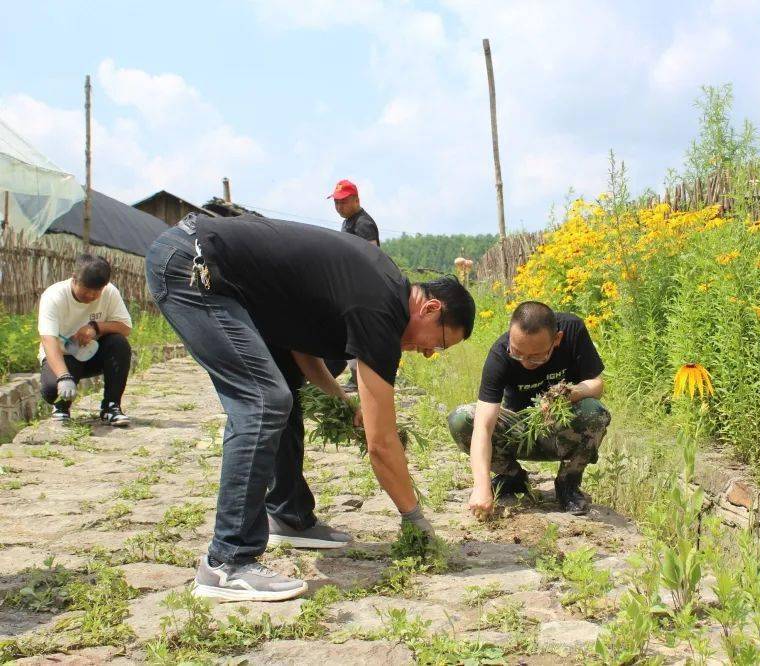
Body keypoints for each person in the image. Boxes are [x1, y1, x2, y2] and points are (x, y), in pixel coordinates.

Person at [145, 213, 475, 602]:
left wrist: (342, 399)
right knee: (263, 399)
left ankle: (289, 515)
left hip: (208, 265)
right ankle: (227, 561)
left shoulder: (376, 290)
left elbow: (301, 347)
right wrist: (414, 519)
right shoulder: (381, 304)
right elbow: (382, 442)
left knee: (282, 386)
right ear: (431, 308)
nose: (427, 353)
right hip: (194, 266)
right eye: (437, 344)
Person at [448, 301, 610, 518]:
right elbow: (483, 427)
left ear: (557, 340)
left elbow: (596, 384)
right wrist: (481, 487)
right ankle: (512, 477)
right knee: (462, 419)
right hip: (520, 432)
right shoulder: (499, 354)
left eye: (536, 357)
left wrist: (570, 393)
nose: (525, 362)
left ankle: (567, 485)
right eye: (518, 353)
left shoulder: (573, 330)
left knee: (594, 411)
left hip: (560, 431)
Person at [38, 254, 133, 426]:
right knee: (51, 390)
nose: (91, 295)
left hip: (93, 354)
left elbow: (125, 328)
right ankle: (61, 406)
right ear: (74, 279)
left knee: (119, 343)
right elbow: (48, 339)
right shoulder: (53, 296)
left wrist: (95, 327)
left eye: (97, 291)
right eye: (86, 289)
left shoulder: (110, 292)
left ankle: (111, 407)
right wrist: (63, 376)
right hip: (64, 357)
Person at [326, 178, 380, 391]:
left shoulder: (363, 224)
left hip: (361, 288)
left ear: (356, 200)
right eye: (336, 203)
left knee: (356, 334)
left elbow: (372, 257)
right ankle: (350, 374)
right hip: (349, 286)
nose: (339, 207)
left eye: (343, 202)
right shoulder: (348, 221)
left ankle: (359, 377)